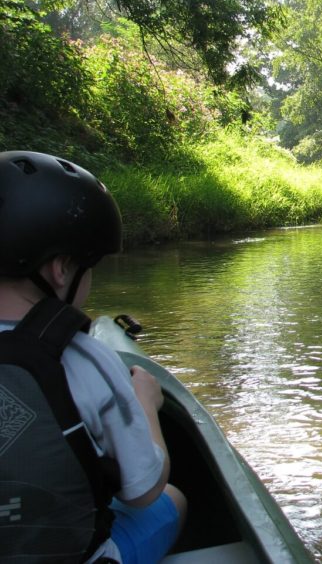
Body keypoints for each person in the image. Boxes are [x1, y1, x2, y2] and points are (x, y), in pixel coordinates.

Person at [0, 150, 186, 563]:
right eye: (91, 265)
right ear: (62, 269)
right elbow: (142, 489)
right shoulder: (84, 356)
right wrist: (147, 405)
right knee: (171, 500)